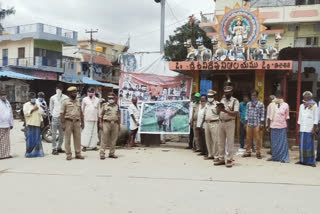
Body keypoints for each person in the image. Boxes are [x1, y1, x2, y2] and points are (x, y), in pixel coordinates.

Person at [215, 85, 239, 168]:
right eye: (225, 92)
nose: (226, 94)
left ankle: (229, 159)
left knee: (230, 142)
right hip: (221, 122)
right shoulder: (222, 100)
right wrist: (218, 109)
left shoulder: (235, 101)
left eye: (228, 92)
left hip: (230, 122)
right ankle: (221, 158)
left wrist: (224, 110)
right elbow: (218, 112)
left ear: (231, 92)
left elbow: (235, 113)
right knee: (220, 141)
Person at [61, 86, 85, 161]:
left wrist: (83, 122)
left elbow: (81, 112)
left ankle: (78, 153)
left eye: (76, 92)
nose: (75, 93)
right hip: (68, 121)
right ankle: (68, 154)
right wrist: (63, 124)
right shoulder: (65, 102)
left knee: (78, 139)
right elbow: (62, 113)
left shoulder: (78, 101)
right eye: (73, 92)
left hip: (77, 122)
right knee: (67, 139)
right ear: (70, 93)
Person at [267, 91, 290, 163]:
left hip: (282, 126)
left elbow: (287, 117)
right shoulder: (271, 105)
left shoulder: (286, 105)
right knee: (274, 143)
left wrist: (287, 127)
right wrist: (268, 126)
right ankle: (275, 157)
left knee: (282, 143)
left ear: (282, 96)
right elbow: (268, 117)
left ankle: (284, 158)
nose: (278, 96)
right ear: (276, 96)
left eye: (280, 95)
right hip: (273, 126)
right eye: (277, 95)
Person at [297, 91, 318, 167]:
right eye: (305, 96)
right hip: (303, 128)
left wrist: (314, 129)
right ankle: (302, 160)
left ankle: (312, 161)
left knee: (310, 145)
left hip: (310, 128)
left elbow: (316, 118)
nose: (306, 97)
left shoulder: (314, 105)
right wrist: (299, 128)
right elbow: (300, 117)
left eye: (308, 96)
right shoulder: (301, 106)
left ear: (311, 97)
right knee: (302, 145)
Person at [242, 90, 265, 159]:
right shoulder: (248, 104)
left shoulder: (261, 104)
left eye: (254, 95)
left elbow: (262, 114)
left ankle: (258, 152)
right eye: (252, 95)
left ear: (257, 96)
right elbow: (246, 113)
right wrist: (245, 123)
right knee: (248, 138)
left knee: (257, 139)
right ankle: (248, 152)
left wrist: (261, 124)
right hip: (249, 123)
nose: (253, 96)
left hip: (257, 123)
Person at [99, 92, 120, 159]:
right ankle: (102, 153)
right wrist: (100, 123)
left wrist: (119, 125)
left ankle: (112, 153)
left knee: (113, 140)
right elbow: (100, 115)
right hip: (106, 123)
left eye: (112, 98)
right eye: (110, 98)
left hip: (115, 124)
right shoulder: (104, 105)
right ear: (108, 98)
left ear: (114, 99)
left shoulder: (117, 106)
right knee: (104, 139)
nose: (111, 99)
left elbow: (119, 116)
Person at [23, 92, 44, 158]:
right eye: (32, 98)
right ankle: (29, 153)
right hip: (30, 123)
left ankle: (37, 153)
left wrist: (42, 121)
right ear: (29, 98)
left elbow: (40, 113)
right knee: (30, 139)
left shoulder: (37, 104)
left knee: (37, 139)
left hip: (37, 123)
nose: (33, 99)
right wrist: (33, 110)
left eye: (34, 98)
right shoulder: (26, 105)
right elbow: (26, 113)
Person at [49, 84, 68, 155]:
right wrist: (53, 115)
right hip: (55, 117)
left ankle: (59, 147)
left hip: (63, 118)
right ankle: (54, 148)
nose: (59, 90)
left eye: (60, 88)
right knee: (53, 134)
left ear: (62, 89)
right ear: (56, 89)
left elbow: (67, 107)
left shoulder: (66, 97)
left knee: (62, 135)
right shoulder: (52, 98)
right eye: (58, 88)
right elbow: (51, 107)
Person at [202, 90, 219, 161]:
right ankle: (210, 154)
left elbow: (219, 113)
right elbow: (204, 114)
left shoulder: (217, 104)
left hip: (214, 123)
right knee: (208, 140)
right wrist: (202, 124)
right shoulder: (206, 104)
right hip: (207, 123)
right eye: (209, 96)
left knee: (215, 140)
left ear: (214, 97)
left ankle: (216, 156)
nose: (210, 97)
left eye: (211, 96)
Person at [81, 87, 100, 152]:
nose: (90, 93)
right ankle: (84, 146)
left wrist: (99, 119)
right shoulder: (84, 99)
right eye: (89, 92)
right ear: (87, 92)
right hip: (87, 119)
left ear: (94, 92)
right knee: (86, 132)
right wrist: (81, 120)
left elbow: (99, 110)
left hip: (95, 119)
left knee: (94, 133)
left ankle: (93, 146)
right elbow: (82, 109)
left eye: (92, 92)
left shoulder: (97, 100)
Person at [0, 89, 13, 159]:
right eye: (2, 95)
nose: (3, 96)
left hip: (7, 124)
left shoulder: (7, 102)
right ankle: (1, 155)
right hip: (0, 124)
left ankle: (6, 154)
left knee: (6, 140)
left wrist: (11, 123)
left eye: (4, 95)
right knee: (1, 140)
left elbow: (10, 113)